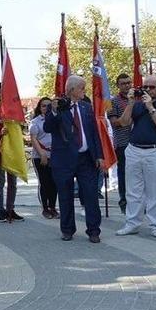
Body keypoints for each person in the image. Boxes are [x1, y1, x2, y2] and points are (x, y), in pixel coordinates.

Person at [44, 75, 104, 243]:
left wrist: (99, 156)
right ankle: (67, 230)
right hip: (64, 160)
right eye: (82, 88)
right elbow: (48, 127)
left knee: (91, 195)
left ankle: (94, 231)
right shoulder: (58, 107)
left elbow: (94, 133)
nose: (84, 91)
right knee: (65, 196)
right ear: (71, 90)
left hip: (86, 159)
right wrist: (54, 111)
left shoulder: (86, 107)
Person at [115, 75, 156, 238]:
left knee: (155, 190)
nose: (147, 90)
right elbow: (124, 122)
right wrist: (130, 103)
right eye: (145, 86)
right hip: (134, 150)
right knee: (133, 190)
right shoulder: (137, 103)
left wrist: (150, 107)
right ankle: (132, 223)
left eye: (151, 87)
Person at [0, 83, 21, 221]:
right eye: (0, 92)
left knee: (13, 182)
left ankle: (10, 209)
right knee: (0, 181)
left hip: (13, 151)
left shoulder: (15, 111)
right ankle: (0, 210)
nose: (3, 95)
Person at [108, 74, 133, 213]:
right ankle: (124, 202)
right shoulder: (112, 102)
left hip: (139, 142)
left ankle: (138, 202)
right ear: (118, 85)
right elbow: (115, 123)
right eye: (123, 83)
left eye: (129, 82)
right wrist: (127, 117)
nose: (127, 85)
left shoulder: (139, 98)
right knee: (123, 174)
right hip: (123, 143)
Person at [30, 98, 58, 219]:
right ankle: (45, 208)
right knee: (44, 182)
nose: (46, 108)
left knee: (54, 183)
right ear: (39, 108)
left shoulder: (56, 118)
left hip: (55, 156)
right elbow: (33, 139)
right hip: (40, 156)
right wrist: (42, 154)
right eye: (43, 106)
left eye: (49, 105)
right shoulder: (35, 122)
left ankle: (53, 207)